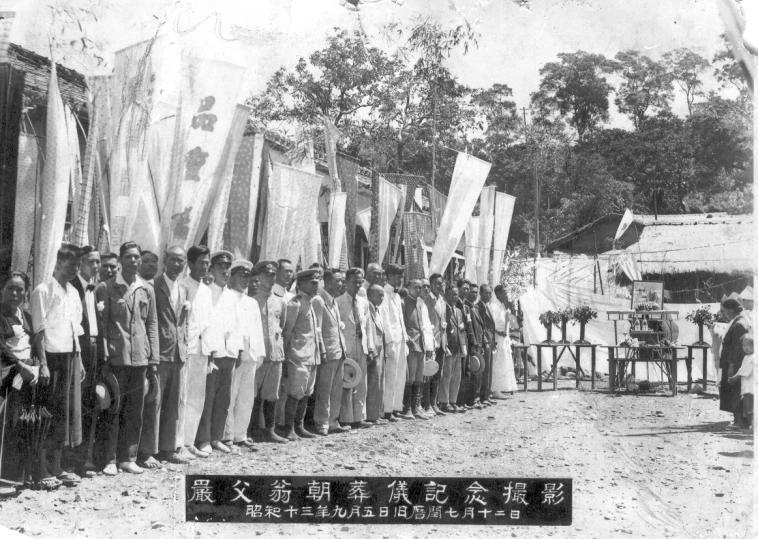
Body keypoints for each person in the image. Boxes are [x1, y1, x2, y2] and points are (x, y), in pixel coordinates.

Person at [94, 241, 159, 475]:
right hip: (116, 357)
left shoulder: (146, 289)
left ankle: (127, 457)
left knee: (134, 411)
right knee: (112, 409)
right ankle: (109, 459)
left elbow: (151, 323)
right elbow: (103, 326)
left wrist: (154, 357)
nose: (133, 261)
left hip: (140, 358)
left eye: (136, 257)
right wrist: (104, 358)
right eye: (129, 257)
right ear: (120, 261)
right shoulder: (106, 287)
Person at [31, 243, 85, 486]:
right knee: (47, 413)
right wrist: (42, 363)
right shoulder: (43, 290)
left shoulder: (73, 292)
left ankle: (57, 466)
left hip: (70, 358)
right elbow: (38, 331)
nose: (75, 269)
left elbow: (75, 329)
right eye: (71, 263)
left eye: (77, 264)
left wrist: (80, 361)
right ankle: (41, 470)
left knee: (64, 416)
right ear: (59, 263)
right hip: (50, 359)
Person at [138, 246, 191, 466]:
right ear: (165, 262)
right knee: (154, 405)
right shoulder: (152, 286)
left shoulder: (184, 289)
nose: (177, 264)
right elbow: (148, 323)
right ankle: (148, 451)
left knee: (173, 404)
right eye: (173, 260)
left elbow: (183, 321)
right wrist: (153, 356)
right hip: (159, 354)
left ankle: (168, 448)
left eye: (181, 261)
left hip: (178, 354)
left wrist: (185, 345)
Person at [0, 271, 44, 486]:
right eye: (11, 288)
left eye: (20, 289)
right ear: (2, 289)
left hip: (27, 376)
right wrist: (19, 366)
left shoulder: (25, 316)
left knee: (23, 423)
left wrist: (35, 366)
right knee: (6, 425)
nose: (15, 293)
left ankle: (19, 477)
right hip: (6, 375)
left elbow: (34, 344)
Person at [196, 251, 240, 454]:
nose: (225, 271)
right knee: (208, 398)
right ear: (212, 268)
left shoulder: (232, 296)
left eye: (227, 267)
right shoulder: (205, 291)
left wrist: (237, 350)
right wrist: (210, 351)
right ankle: (203, 438)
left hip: (229, 353)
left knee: (224, 399)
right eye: (221, 266)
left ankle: (216, 437)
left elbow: (236, 326)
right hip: (211, 353)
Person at [222, 260, 266, 452]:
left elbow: (257, 330)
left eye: (247, 276)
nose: (244, 280)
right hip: (235, 353)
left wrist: (260, 353)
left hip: (252, 353)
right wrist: (236, 349)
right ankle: (227, 436)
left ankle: (241, 434)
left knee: (247, 397)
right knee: (230, 395)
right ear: (231, 277)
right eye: (240, 276)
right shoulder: (227, 298)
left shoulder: (252, 302)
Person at [281, 269, 325, 441]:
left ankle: (299, 426)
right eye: (313, 283)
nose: (317, 286)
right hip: (297, 356)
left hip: (311, 355)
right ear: (302, 284)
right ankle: (289, 428)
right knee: (295, 393)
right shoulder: (295, 304)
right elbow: (287, 332)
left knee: (307, 392)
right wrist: (285, 358)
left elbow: (315, 331)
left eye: (318, 283)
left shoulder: (312, 303)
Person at [249, 261, 288, 444]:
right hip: (258, 353)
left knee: (272, 394)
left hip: (275, 353)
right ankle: (253, 430)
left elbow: (283, 326)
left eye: (272, 275)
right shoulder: (252, 299)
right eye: (266, 275)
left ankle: (270, 430)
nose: (269, 279)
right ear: (257, 277)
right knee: (254, 393)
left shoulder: (280, 301)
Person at [69, 245, 101, 473]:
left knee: (91, 402)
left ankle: (82, 460)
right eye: (92, 261)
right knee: (76, 404)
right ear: (80, 263)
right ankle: (71, 461)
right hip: (79, 350)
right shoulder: (72, 287)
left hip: (95, 349)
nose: (96, 266)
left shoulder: (96, 288)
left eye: (98, 261)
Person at [180, 245, 214, 459]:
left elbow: (208, 323)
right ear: (190, 264)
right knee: (182, 397)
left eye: (207, 263)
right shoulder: (183, 286)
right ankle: (178, 443)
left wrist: (210, 351)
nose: (205, 266)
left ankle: (189, 441)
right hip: (186, 349)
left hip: (202, 349)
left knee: (196, 398)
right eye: (201, 262)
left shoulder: (207, 290)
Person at [311, 268, 349, 436]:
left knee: (336, 390)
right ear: (327, 281)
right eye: (337, 280)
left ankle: (333, 420)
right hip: (327, 352)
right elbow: (317, 329)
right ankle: (322, 422)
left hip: (338, 351)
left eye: (342, 280)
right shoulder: (319, 300)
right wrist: (322, 350)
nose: (341, 283)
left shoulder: (334, 302)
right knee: (324, 390)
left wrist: (343, 349)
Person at [337, 268, 375, 429]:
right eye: (354, 282)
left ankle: (359, 417)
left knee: (361, 382)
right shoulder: (338, 302)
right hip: (347, 346)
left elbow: (368, 328)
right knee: (347, 381)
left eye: (360, 281)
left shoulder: (363, 303)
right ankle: (346, 418)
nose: (358, 285)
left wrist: (371, 348)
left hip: (361, 344)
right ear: (346, 282)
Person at [719, 294, 752, 430]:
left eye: (725, 311)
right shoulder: (738, 321)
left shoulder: (739, 324)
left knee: (735, 391)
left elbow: (737, 348)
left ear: (731, 310)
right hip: (732, 363)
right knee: (733, 391)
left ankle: (740, 422)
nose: (724, 314)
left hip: (735, 364)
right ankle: (738, 420)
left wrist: (732, 366)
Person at [402, 279, 432, 420]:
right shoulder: (405, 302)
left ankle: (416, 407)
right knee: (411, 377)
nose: (419, 290)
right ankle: (407, 408)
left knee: (419, 377)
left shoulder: (419, 304)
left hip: (421, 344)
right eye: (416, 287)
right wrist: (409, 339)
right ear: (408, 287)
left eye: (421, 288)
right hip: (412, 345)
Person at [382, 264, 407, 422]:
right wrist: (390, 341)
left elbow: (399, 319)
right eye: (398, 276)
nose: (400, 280)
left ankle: (397, 406)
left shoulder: (397, 296)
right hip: (391, 340)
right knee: (390, 375)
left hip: (401, 338)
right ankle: (387, 410)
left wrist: (404, 337)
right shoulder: (384, 293)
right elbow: (386, 319)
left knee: (400, 375)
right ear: (390, 276)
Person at [422, 273, 448, 417]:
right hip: (431, 342)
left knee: (437, 374)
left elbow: (443, 324)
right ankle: (427, 405)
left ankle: (434, 403)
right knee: (428, 374)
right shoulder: (426, 300)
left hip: (441, 343)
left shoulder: (442, 301)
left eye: (441, 283)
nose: (439, 286)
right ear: (431, 285)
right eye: (436, 283)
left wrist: (446, 343)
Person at [439, 284, 467, 414]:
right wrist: (445, 345)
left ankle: (453, 401)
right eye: (451, 295)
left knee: (456, 376)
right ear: (446, 295)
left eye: (456, 295)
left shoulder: (459, 311)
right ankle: (444, 402)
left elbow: (462, 330)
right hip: (449, 347)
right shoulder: (444, 310)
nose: (454, 297)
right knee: (447, 376)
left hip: (458, 348)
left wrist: (463, 347)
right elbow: (442, 329)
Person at [490, 285, 518, 397]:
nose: (506, 295)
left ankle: (502, 387)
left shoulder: (503, 307)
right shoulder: (494, 307)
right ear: (497, 294)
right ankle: (495, 389)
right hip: (497, 339)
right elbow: (491, 324)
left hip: (504, 340)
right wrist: (498, 332)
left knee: (503, 363)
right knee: (497, 364)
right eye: (504, 293)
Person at [365, 284, 387, 424]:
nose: (382, 297)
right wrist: (371, 350)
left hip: (380, 350)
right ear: (370, 295)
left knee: (379, 383)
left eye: (383, 294)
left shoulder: (377, 310)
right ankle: (371, 416)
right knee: (372, 383)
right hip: (373, 351)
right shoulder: (367, 309)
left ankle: (377, 413)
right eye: (379, 294)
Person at [475, 285, 497, 407]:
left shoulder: (486, 307)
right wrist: (485, 342)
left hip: (489, 342)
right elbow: (481, 327)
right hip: (484, 343)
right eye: (486, 293)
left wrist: (492, 341)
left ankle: (486, 395)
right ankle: (481, 397)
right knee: (483, 371)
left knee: (488, 370)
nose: (488, 296)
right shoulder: (478, 307)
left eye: (490, 293)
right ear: (481, 294)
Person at [728, 335, 753, 431]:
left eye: (749, 345)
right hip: (746, 388)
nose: (746, 348)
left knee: (751, 408)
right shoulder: (746, 357)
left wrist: (736, 377)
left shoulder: (754, 357)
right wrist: (734, 377)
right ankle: (749, 425)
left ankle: (752, 426)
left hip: (751, 388)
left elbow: (746, 371)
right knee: (747, 407)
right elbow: (741, 369)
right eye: (744, 346)